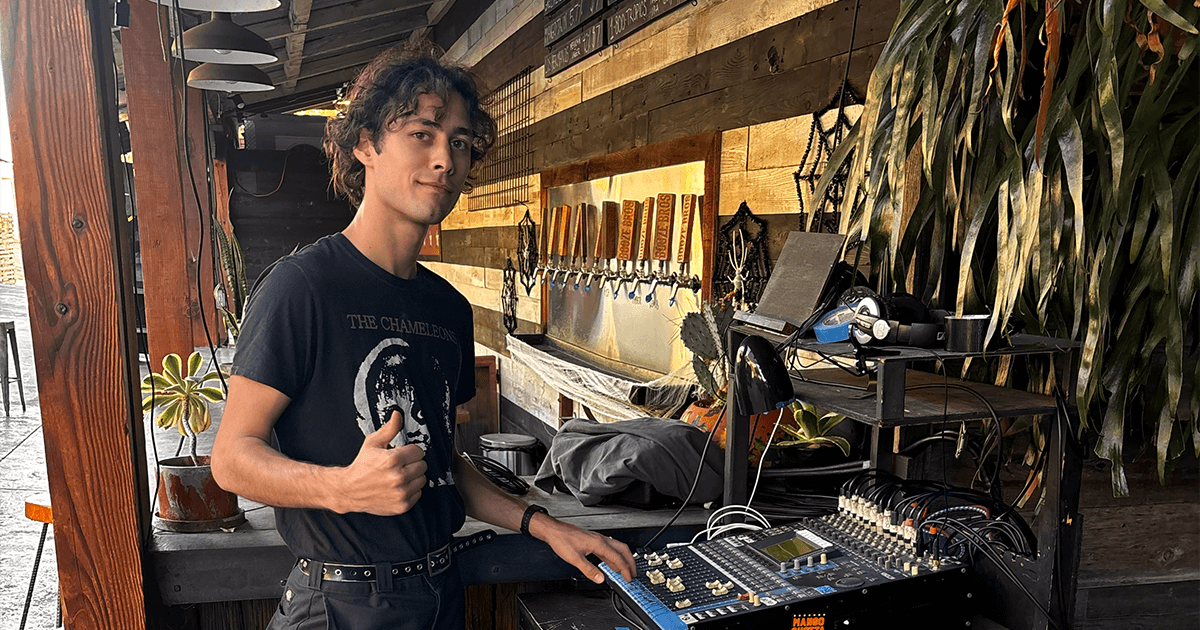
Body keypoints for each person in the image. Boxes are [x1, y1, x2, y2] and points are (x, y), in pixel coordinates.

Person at [211, 43, 636, 630]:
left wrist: (542, 523)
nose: (445, 160)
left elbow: (444, 462)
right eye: (422, 134)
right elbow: (231, 458)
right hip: (340, 603)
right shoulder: (302, 288)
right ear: (365, 145)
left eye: (460, 142)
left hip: (441, 593)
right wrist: (344, 487)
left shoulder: (448, 308)